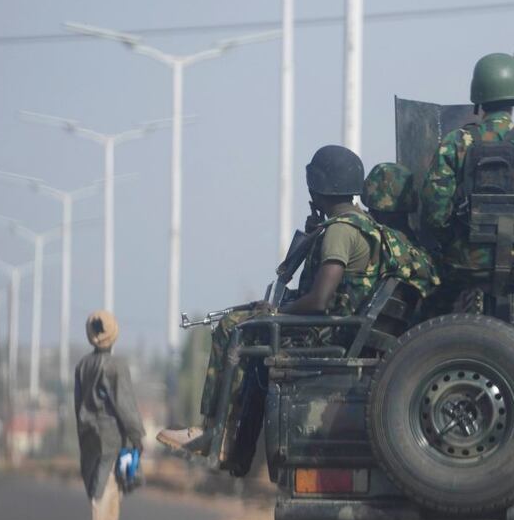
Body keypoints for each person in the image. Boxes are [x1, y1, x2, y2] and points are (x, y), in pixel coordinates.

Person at [159, 145, 436, 457]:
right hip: (343, 329)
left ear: (318, 187)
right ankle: (229, 438)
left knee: (231, 328)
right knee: (250, 320)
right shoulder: (367, 228)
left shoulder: (340, 231)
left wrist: (277, 311)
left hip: (326, 332)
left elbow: (319, 300)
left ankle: (212, 432)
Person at [419, 52, 514, 353]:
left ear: (478, 99)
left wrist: (454, 241)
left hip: (462, 263)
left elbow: (434, 212)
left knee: (423, 314)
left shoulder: (455, 143)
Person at [74, 310, 145, 520]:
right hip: (113, 434)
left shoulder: (83, 366)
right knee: (108, 486)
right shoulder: (116, 366)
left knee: (97, 481)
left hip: (88, 433)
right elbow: (125, 405)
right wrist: (137, 435)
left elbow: (77, 405)